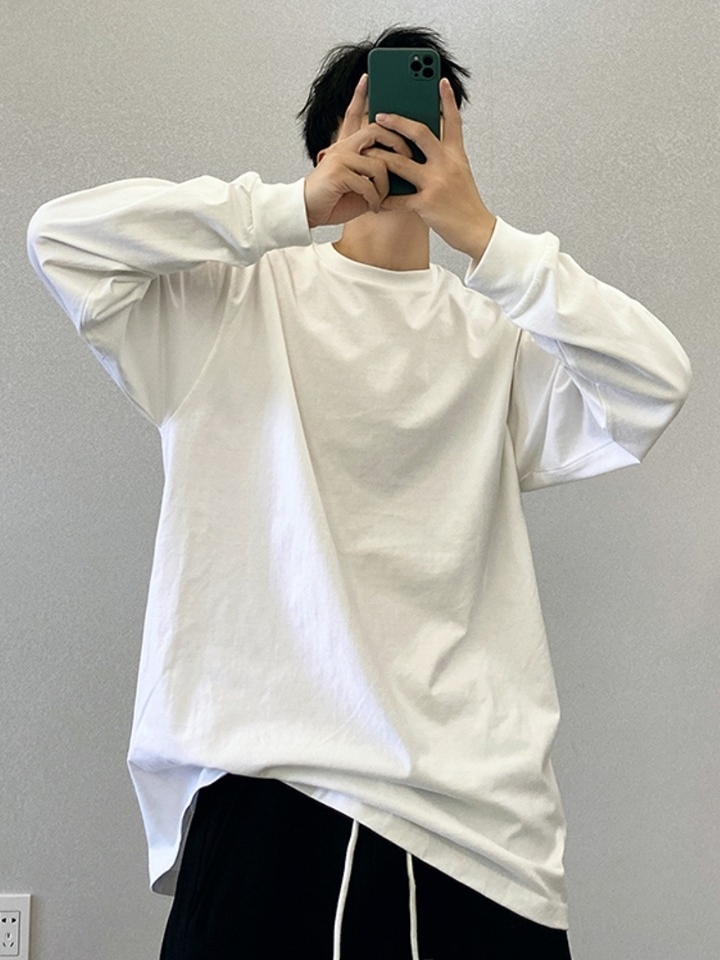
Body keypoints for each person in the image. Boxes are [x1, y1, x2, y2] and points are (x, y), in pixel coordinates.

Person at [26, 24, 690, 960]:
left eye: (428, 126)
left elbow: (655, 384)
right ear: (326, 141)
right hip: (270, 792)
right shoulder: (227, 305)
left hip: (479, 831)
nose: (401, 141)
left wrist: (484, 235)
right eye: (374, 122)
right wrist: (294, 205)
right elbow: (59, 239)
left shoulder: (498, 339)